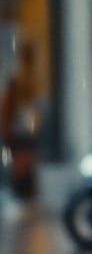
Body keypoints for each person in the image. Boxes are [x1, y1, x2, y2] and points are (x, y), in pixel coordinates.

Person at [1, 42, 43, 200]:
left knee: (23, 162)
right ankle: (23, 194)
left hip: (23, 129)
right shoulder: (22, 77)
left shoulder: (25, 77)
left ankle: (24, 194)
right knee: (22, 162)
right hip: (22, 128)